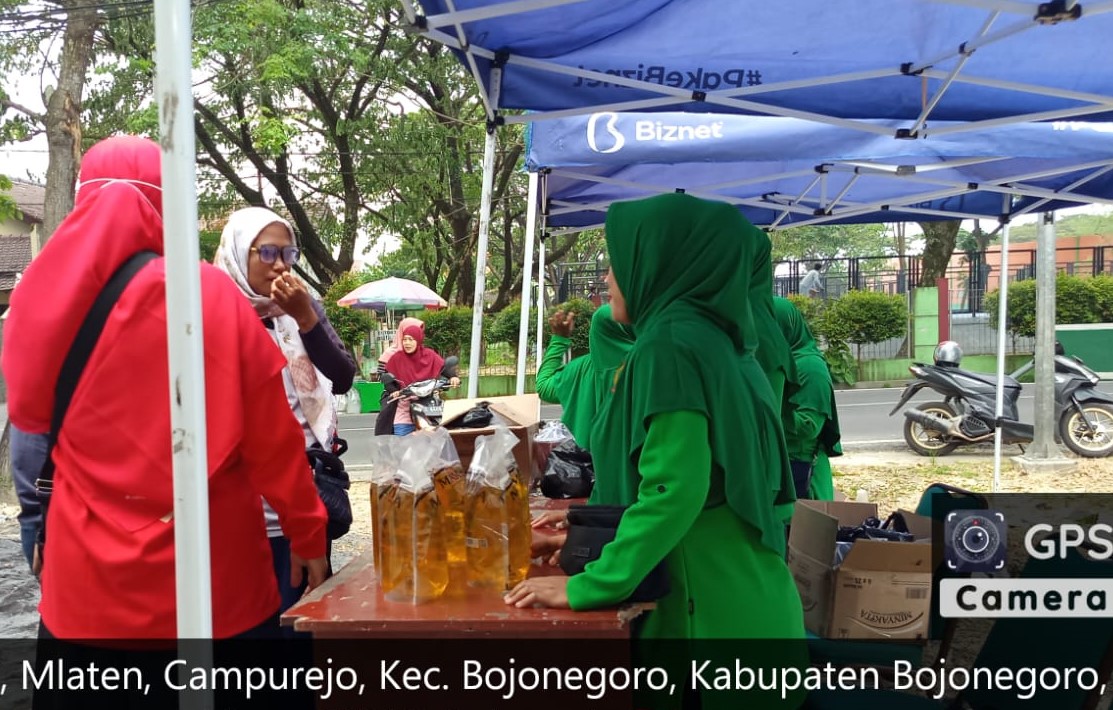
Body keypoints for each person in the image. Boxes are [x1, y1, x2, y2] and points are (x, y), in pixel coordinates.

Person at [1, 136, 328, 645]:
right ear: (168, 203)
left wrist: (37, 522)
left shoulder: (35, 299)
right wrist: (307, 532)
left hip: (84, 593)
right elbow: (274, 444)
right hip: (214, 591)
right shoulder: (209, 295)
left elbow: (29, 431)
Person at [506, 194, 805, 706]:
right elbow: (710, 487)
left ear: (662, 265)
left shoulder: (669, 344)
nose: (608, 278)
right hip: (753, 611)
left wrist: (591, 584)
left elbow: (675, 490)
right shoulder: (722, 343)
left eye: (619, 262)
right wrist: (587, 532)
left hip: (707, 632)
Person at [213, 206, 356, 617]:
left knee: (304, 618)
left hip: (308, 496)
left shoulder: (300, 307)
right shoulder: (215, 312)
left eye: (289, 254)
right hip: (245, 507)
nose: (280, 266)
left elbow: (343, 376)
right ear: (239, 253)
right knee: (253, 619)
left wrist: (305, 317)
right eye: (267, 253)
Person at [534, 304, 635, 449]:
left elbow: (543, 386)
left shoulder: (578, 369)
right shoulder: (647, 366)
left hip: (587, 460)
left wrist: (559, 340)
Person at [773, 297, 843, 501]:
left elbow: (809, 427)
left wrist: (771, 411)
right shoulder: (778, 363)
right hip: (783, 469)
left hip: (803, 477)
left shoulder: (810, 368)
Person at [382, 324, 458, 436]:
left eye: (411, 339)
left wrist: (453, 377)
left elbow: (443, 368)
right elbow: (388, 379)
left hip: (428, 402)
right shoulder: (397, 358)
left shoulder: (430, 355)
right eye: (404, 340)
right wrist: (394, 391)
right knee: (401, 440)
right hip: (405, 404)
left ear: (418, 340)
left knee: (438, 435)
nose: (407, 343)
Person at [373, 317, 424, 436]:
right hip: (399, 404)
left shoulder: (423, 353)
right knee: (400, 442)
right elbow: (381, 376)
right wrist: (394, 390)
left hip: (421, 402)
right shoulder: (390, 353)